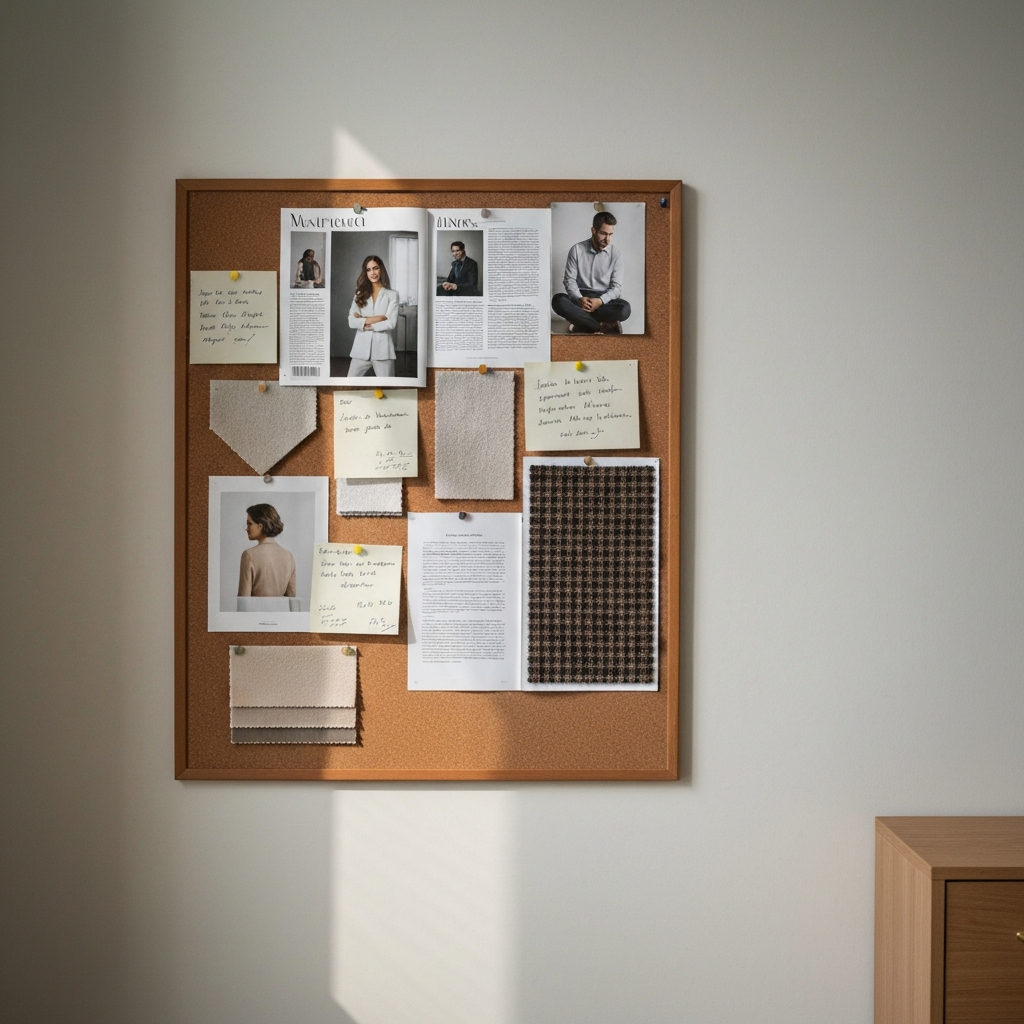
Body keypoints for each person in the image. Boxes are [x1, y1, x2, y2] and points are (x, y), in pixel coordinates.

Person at [551, 212, 632, 334]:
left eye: (610, 234)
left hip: (603, 302)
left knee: (625, 309)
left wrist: (600, 301)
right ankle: (599, 326)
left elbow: (616, 288)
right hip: (581, 298)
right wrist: (580, 299)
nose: (607, 239)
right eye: (603, 233)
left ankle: (581, 322)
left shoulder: (616, 254)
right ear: (593, 230)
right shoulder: (577, 250)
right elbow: (570, 280)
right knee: (558, 300)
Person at [347, 255, 398, 378]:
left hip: (383, 351)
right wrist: (380, 318)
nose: (372, 273)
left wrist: (363, 321)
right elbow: (351, 321)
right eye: (368, 270)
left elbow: (391, 323)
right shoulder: (359, 294)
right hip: (360, 350)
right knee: (349, 385)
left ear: (381, 270)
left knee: (388, 388)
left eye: (375, 268)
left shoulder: (392, 295)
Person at [238, 503, 297, 598]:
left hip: (256, 612)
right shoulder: (288, 556)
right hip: (279, 612)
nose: (247, 528)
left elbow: (243, 600)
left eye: (249, 523)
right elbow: (292, 600)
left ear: (260, 526)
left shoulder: (249, 555)